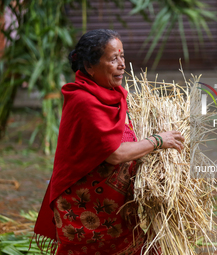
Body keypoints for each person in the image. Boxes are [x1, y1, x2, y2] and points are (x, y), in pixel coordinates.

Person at [33, 29, 185, 255]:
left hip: (117, 208)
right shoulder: (83, 100)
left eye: (122, 56)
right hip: (88, 208)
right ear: (90, 66)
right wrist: (157, 140)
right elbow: (113, 153)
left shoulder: (114, 94)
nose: (122, 64)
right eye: (113, 59)